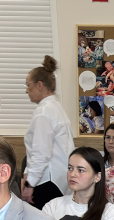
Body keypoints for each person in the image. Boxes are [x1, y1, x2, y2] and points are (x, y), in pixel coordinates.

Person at [21, 56, 72, 209]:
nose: (26, 90)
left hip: (46, 181)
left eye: (28, 85)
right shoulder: (56, 108)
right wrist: (27, 173)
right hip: (59, 180)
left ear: (40, 85)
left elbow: (41, 153)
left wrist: (30, 184)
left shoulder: (44, 112)